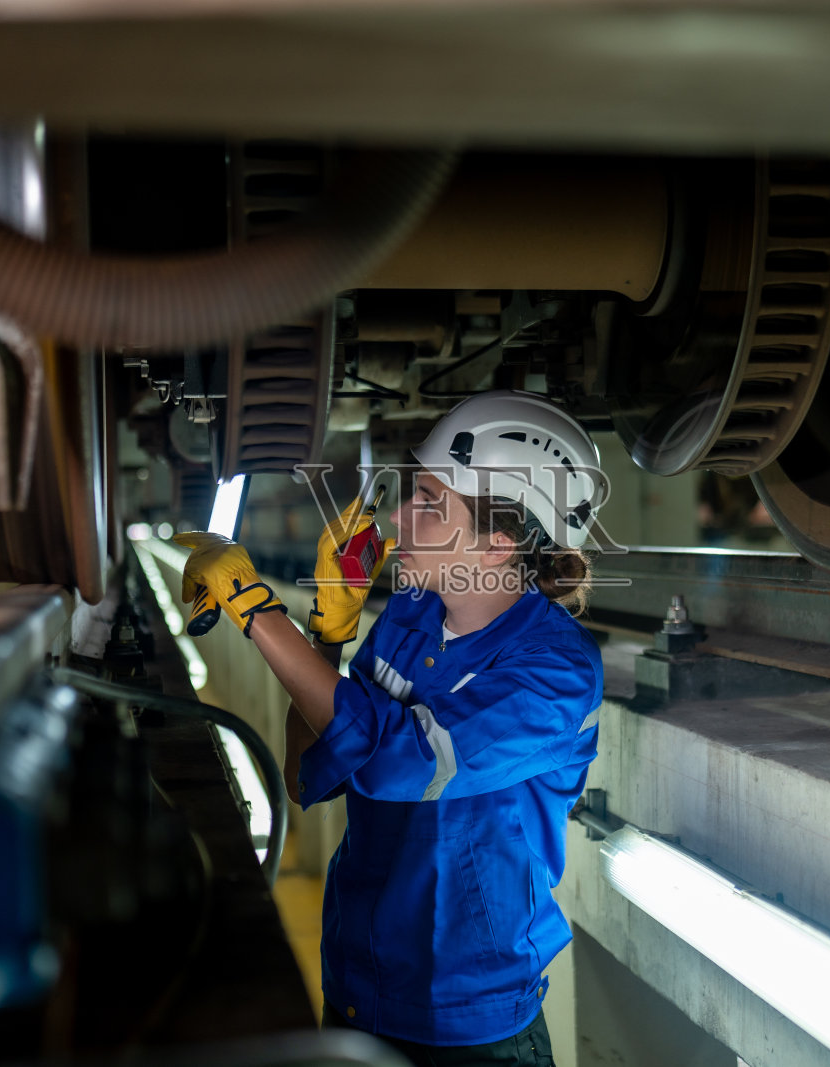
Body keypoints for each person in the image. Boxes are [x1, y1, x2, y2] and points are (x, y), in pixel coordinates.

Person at [176, 390, 611, 1066]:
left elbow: (393, 764)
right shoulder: (410, 614)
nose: (400, 519)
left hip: (471, 1029)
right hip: (357, 988)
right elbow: (304, 772)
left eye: (432, 504)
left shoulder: (555, 672)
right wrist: (328, 632)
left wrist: (258, 611)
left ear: (500, 540)